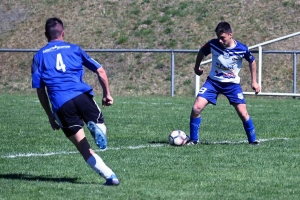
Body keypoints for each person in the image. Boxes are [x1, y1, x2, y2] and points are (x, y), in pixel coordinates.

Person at [31, 17, 119, 185]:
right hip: (81, 96)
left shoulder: (38, 57)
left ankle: (110, 176)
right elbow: (100, 71)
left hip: (61, 104)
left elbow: (40, 90)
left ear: (45, 35)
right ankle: (98, 127)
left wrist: (50, 115)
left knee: (83, 147)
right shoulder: (75, 49)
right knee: (98, 120)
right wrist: (107, 94)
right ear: (63, 33)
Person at [187, 21, 260, 145]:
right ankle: (193, 140)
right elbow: (201, 52)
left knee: (243, 113)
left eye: (223, 38)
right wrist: (196, 67)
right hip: (213, 83)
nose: (220, 41)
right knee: (196, 108)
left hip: (232, 85)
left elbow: (252, 61)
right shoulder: (213, 44)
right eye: (218, 38)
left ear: (230, 34)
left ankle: (253, 141)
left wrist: (254, 81)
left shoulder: (241, 49)